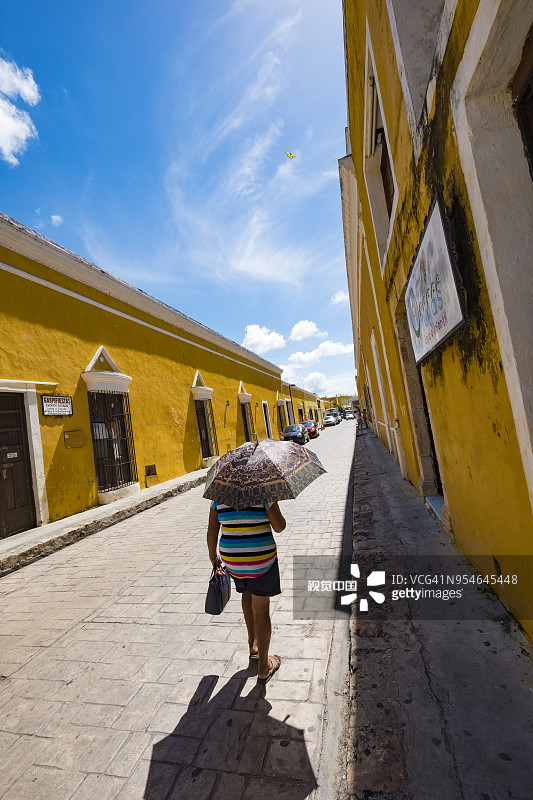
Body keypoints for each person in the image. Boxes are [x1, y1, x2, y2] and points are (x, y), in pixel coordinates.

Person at [207, 499, 286, 683]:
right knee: (261, 608)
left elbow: (212, 529)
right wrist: (271, 501)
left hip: (233, 561)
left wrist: (213, 557)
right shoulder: (264, 490)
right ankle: (264, 667)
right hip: (260, 560)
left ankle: (253, 645)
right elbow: (279, 526)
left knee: (246, 593)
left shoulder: (220, 493)